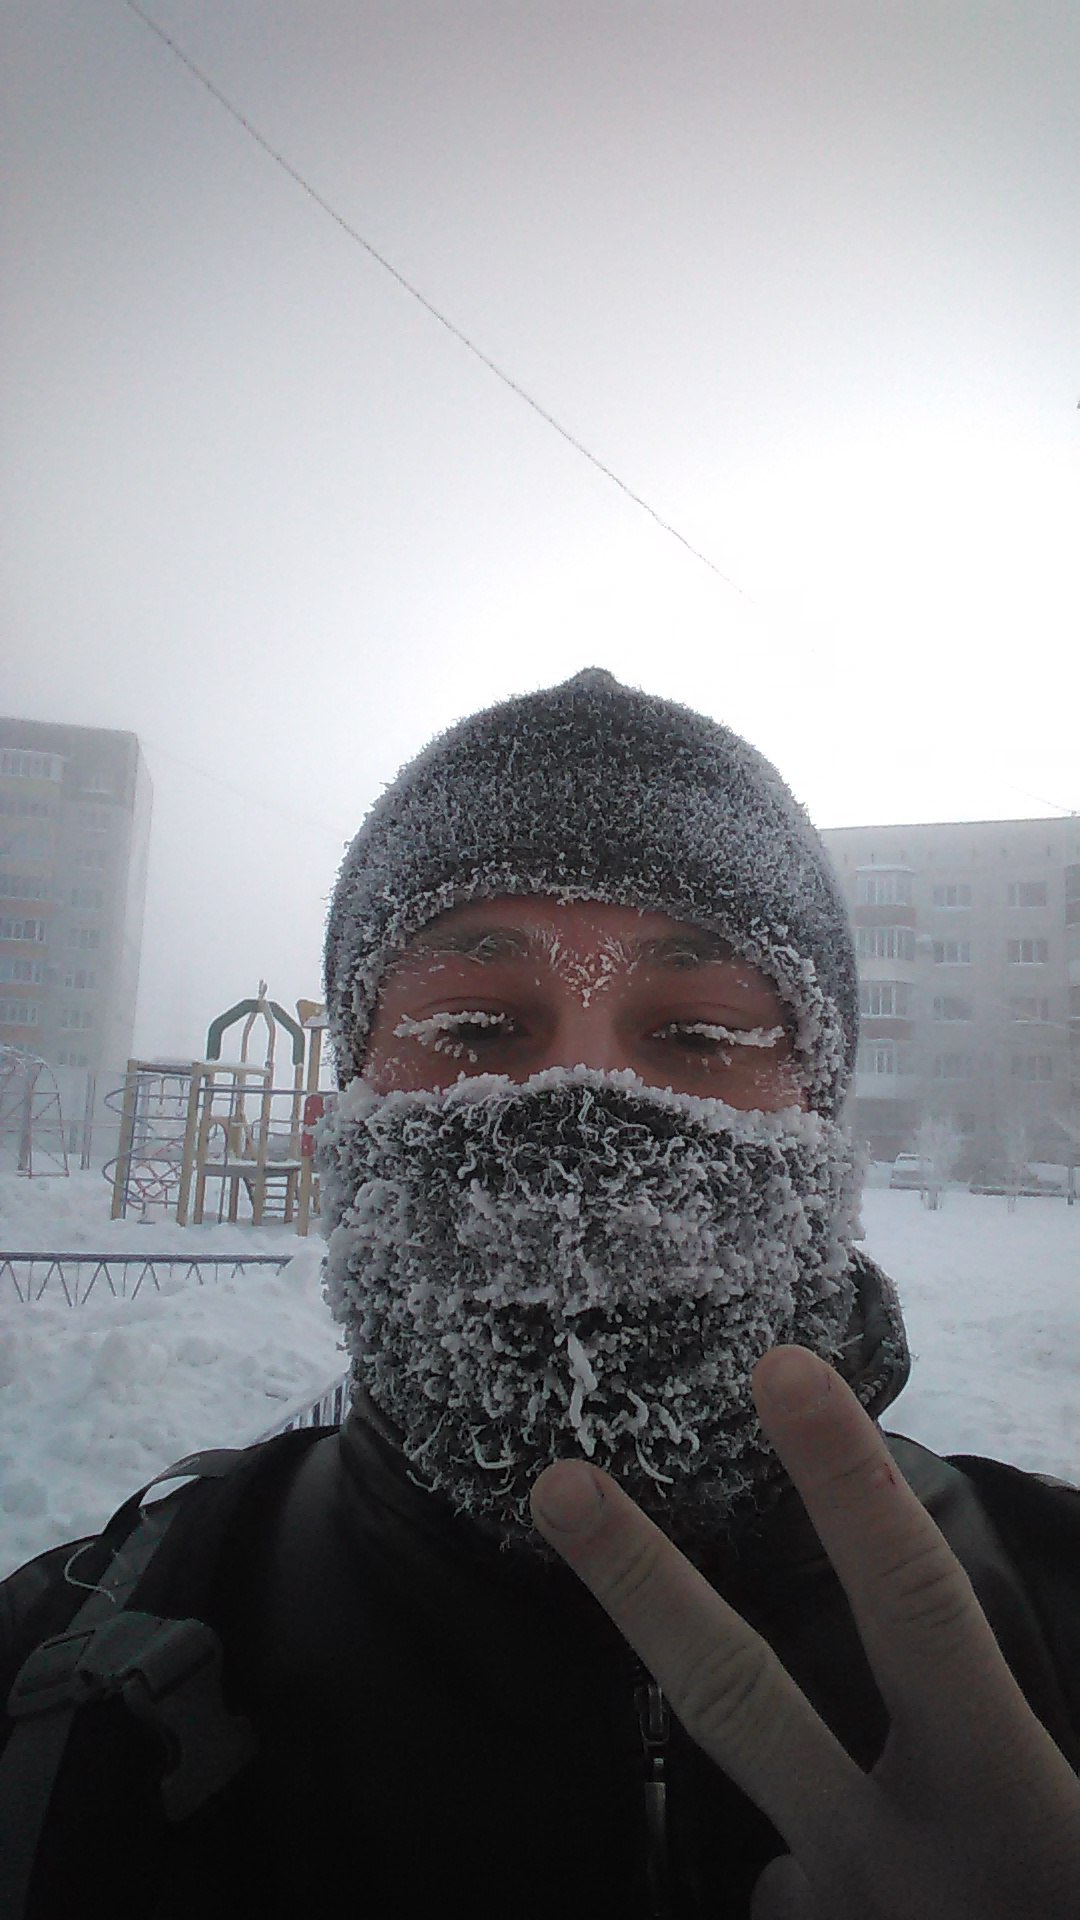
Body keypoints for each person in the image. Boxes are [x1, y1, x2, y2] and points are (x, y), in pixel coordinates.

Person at [2, 669, 1078, 1919]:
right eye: (473, 1026)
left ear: (824, 1127)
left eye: (698, 1034)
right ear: (335, 1130)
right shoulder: (76, 1676)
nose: (578, 1101)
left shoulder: (1056, 1610)